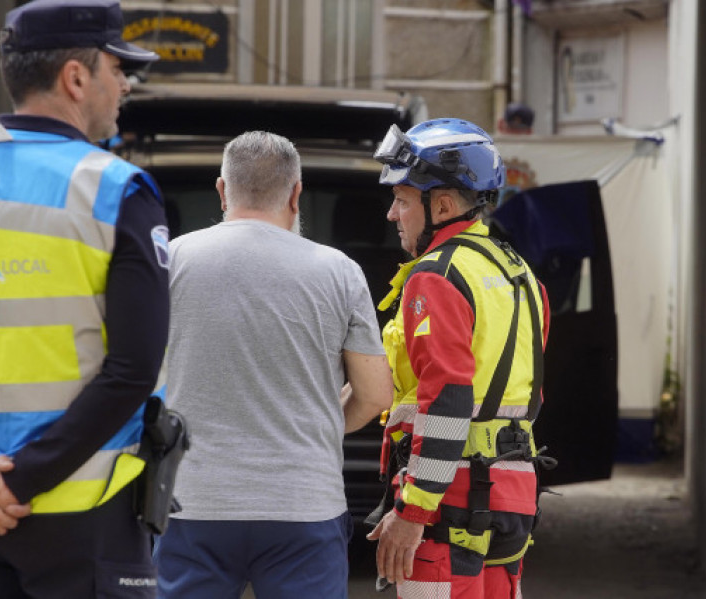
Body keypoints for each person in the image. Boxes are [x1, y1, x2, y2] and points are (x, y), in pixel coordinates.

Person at [0, 0, 169, 596]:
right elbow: (133, 370)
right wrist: (18, 485)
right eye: (117, 67)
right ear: (76, 77)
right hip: (86, 515)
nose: (125, 84)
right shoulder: (117, 190)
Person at [153, 131, 393, 599]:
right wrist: (313, 427)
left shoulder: (171, 259)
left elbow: (134, 372)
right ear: (297, 193)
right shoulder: (338, 270)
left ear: (222, 190)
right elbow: (376, 395)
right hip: (303, 505)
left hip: (192, 502)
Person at [366, 118, 553, 598]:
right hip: (513, 495)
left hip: (450, 502)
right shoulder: (519, 274)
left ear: (441, 205)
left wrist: (412, 513)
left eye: (402, 200)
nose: (392, 214)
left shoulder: (435, 275)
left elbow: (448, 400)